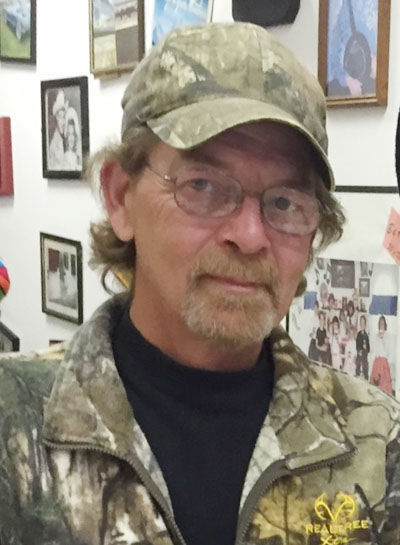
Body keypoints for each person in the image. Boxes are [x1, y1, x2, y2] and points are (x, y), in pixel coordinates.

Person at [1, 22, 400, 545]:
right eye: (204, 186)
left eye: (284, 202)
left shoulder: (375, 441)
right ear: (120, 198)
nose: (250, 236)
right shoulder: (14, 423)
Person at [370, 315, 393, 395]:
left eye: (383, 323)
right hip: (377, 362)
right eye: (380, 323)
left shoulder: (387, 336)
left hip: (383, 363)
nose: (381, 325)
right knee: (375, 386)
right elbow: (374, 350)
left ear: (385, 325)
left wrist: (383, 340)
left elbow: (388, 352)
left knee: (384, 386)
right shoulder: (376, 336)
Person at [356, 313, 370, 379]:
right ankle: (357, 375)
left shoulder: (366, 335)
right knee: (358, 363)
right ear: (360, 324)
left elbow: (369, 348)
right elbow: (357, 345)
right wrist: (359, 350)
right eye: (361, 323)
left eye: (363, 323)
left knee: (365, 365)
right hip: (359, 354)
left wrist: (366, 348)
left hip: (364, 355)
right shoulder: (358, 334)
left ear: (365, 324)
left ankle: (366, 376)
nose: (362, 324)